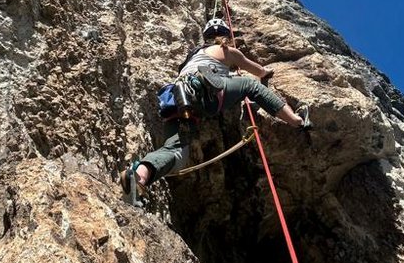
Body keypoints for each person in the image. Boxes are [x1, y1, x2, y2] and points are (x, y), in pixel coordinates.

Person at [120, 17, 311, 199]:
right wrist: (266, 71)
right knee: (250, 85)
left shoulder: (192, 56)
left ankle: (139, 176)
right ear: (226, 35)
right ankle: (296, 120)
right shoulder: (226, 50)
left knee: (176, 151)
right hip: (203, 96)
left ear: (206, 37)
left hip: (178, 100)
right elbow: (260, 72)